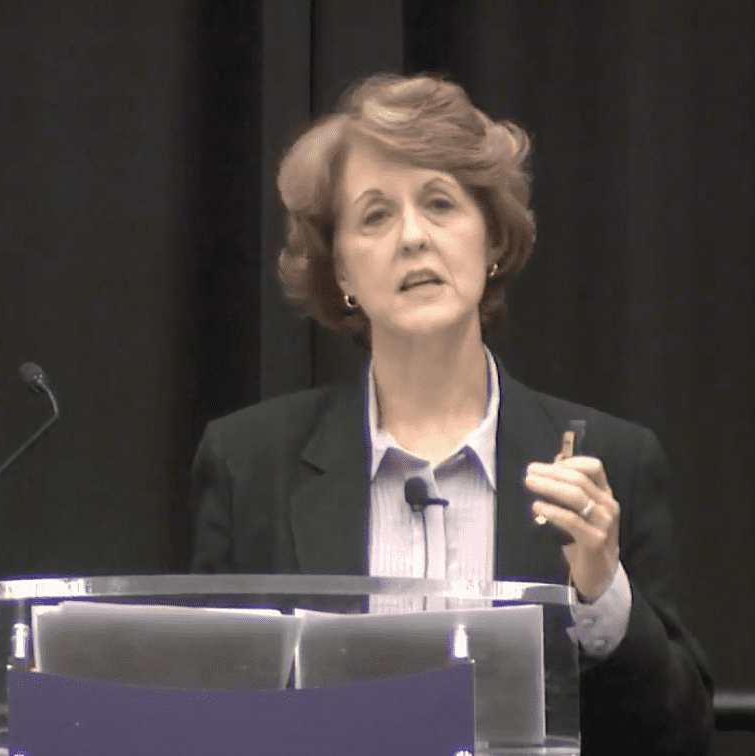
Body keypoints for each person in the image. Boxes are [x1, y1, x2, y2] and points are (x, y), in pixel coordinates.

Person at [188, 73, 713, 755]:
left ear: (491, 240)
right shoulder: (246, 464)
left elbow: (677, 738)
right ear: (340, 271)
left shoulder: (612, 460)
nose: (412, 237)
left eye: (439, 204)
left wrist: (601, 591)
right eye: (374, 215)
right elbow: (204, 714)